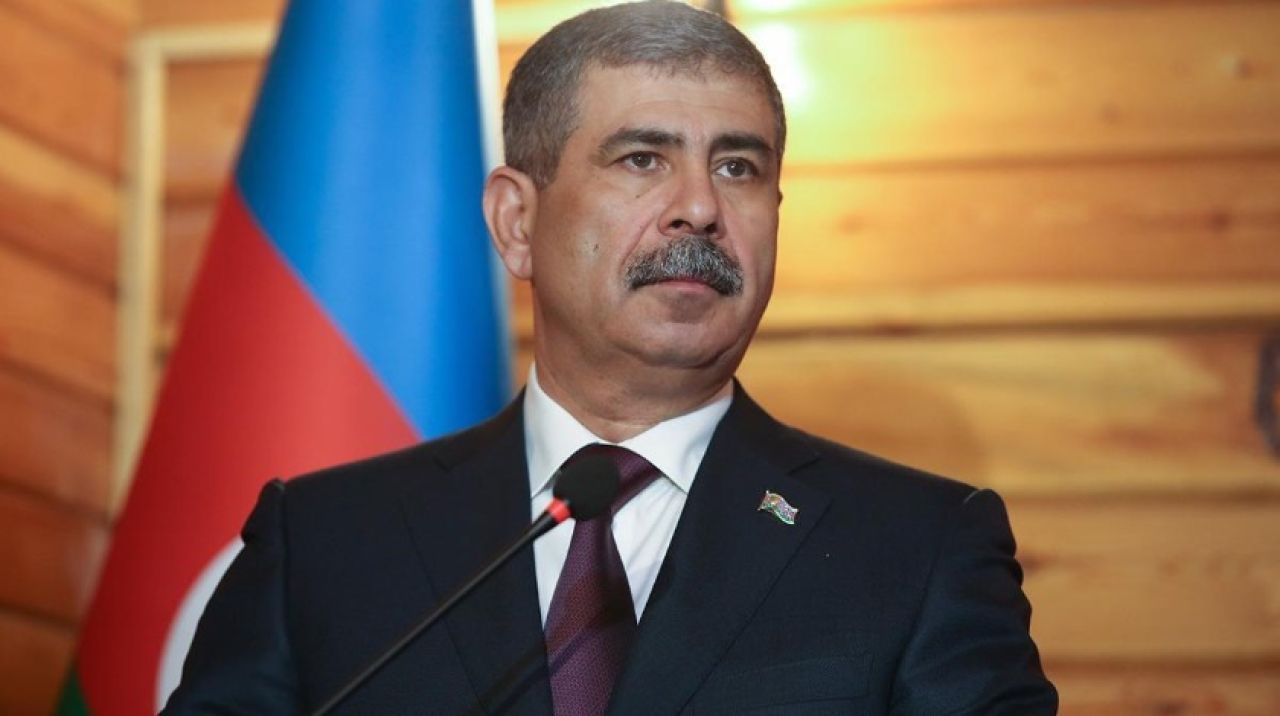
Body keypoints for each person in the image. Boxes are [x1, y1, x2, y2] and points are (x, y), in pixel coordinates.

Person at [164, 1, 1057, 713]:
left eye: (738, 168)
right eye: (641, 159)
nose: (699, 208)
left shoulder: (917, 548)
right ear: (518, 222)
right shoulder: (325, 543)